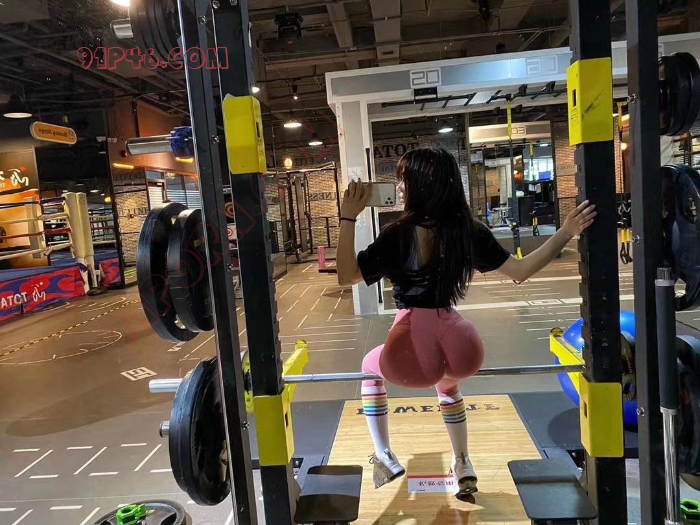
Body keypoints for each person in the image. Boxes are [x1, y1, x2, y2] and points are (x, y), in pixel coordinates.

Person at [336, 147, 596, 498]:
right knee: (448, 386)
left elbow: (346, 275)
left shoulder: (397, 234)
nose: (399, 188)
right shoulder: (467, 231)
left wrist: (348, 217)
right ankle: (462, 462)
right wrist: (566, 231)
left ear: (421, 185)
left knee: (370, 368)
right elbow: (520, 271)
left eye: (403, 180)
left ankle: (383, 454)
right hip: (459, 339)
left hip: (412, 340)